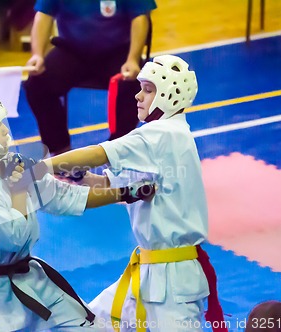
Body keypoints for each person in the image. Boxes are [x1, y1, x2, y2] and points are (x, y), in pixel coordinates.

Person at [0, 96, 155, 332]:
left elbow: (61, 195)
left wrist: (123, 193)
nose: (5, 132)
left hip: (28, 278)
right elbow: (14, 238)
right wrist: (19, 192)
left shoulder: (11, 163)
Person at [44, 55, 227, 331]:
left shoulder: (162, 134)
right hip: (150, 271)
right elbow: (108, 185)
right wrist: (79, 176)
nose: (138, 96)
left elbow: (97, 153)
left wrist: (38, 168)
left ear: (169, 95)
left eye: (149, 90)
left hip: (174, 280)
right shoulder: (159, 139)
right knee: (87, 325)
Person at [24, 0, 157, 156]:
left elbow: (140, 17)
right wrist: (37, 54)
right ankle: (61, 151)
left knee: (132, 84)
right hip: (72, 51)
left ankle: (117, 150)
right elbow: (44, 14)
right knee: (37, 84)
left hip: (117, 52)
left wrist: (133, 59)